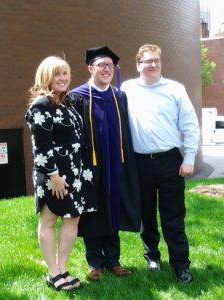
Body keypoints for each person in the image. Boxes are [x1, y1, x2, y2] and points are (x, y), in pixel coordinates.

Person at [121, 44, 200, 283]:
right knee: (146, 214)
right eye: (147, 61)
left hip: (170, 161)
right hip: (139, 163)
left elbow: (190, 125)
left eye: (156, 60)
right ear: (138, 64)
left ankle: (180, 264)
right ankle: (152, 256)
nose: (153, 64)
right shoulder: (127, 89)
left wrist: (189, 159)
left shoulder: (175, 89)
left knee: (173, 215)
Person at [69, 46, 141, 281]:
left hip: (116, 164)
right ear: (90, 68)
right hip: (91, 166)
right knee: (93, 211)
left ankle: (113, 260)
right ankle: (94, 262)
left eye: (110, 65)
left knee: (114, 209)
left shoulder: (119, 96)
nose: (107, 69)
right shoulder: (78, 96)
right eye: (102, 65)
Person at [25, 56, 96, 291]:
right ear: (46, 77)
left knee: (73, 218)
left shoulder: (68, 103)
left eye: (65, 73)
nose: (63, 78)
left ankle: (63, 268)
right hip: (53, 174)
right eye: (57, 74)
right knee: (49, 219)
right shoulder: (41, 105)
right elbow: (41, 145)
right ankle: (53, 272)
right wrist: (53, 175)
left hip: (74, 172)